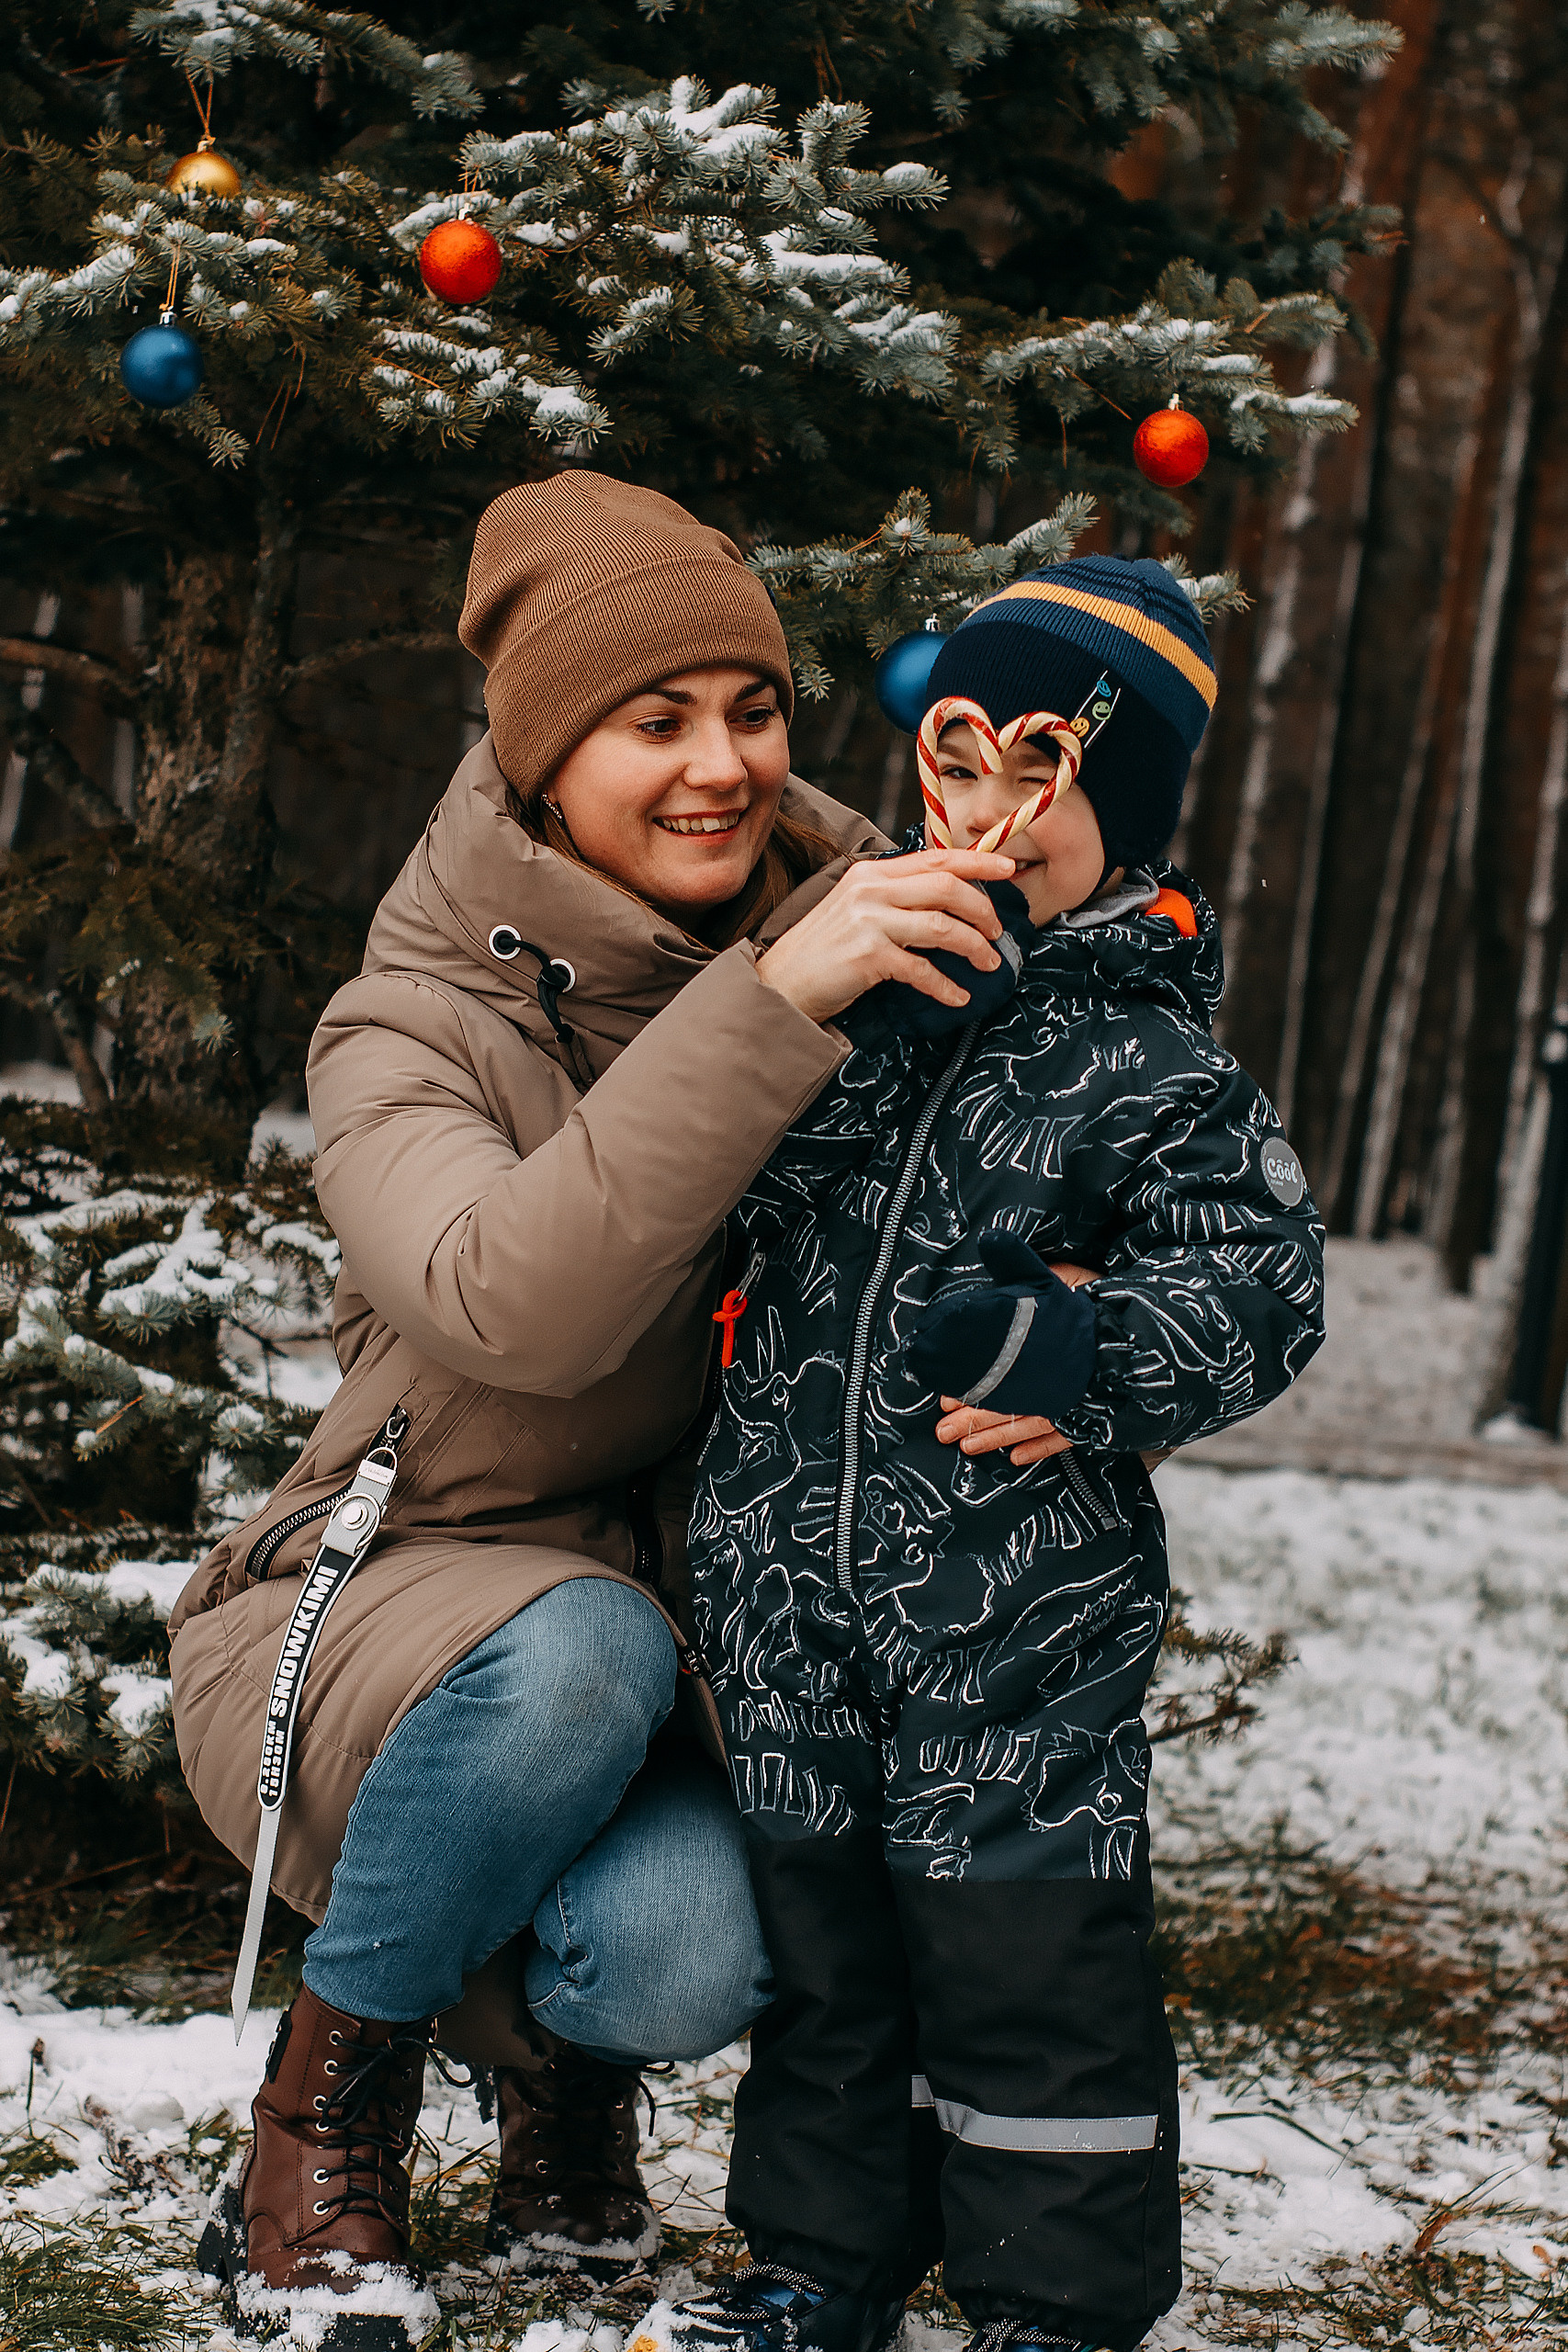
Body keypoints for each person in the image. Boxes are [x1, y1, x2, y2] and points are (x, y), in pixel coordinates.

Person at [168, 471, 1019, 2352]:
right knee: (576, 1649)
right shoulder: (404, 1029)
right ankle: (320, 2115)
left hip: (692, 1653)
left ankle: (565, 2081)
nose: (722, 765)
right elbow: (519, 1306)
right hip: (391, 1612)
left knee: (685, 1950)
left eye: (753, 709)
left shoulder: (881, 949)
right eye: (654, 721)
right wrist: (771, 1003)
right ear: (543, 763)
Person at [640, 559, 1327, 2352]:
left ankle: (1054, 2296)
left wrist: (1085, 1354)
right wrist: (811, 1019)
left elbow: (1258, 1286)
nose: (988, 811)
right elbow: (716, 1193)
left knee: (1022, 1954)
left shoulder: (1150, 1062)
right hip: (791, 1586)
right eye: (957, 760)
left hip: (1017, 1609)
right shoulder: (843, 997)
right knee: (826, 1952)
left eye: (1042, 768)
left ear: (1124, 805)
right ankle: (819, 2261)